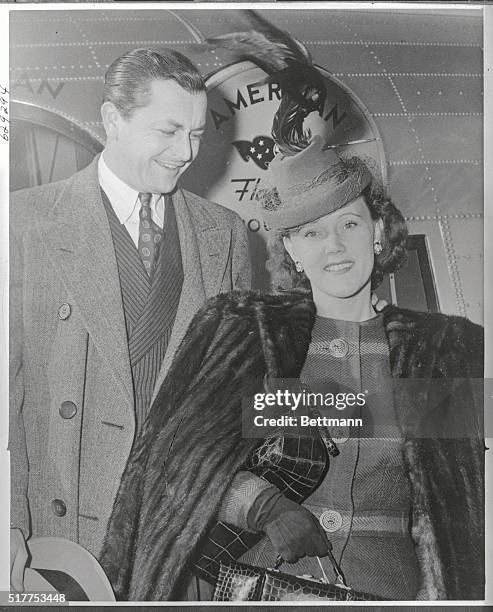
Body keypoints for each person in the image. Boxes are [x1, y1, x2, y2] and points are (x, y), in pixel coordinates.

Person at [100, 102, 484, 601]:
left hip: (391, 589)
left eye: (349, 224)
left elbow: (466, 490)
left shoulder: (444, 348)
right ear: (293, 252)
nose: (335, 247)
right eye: (311, 233)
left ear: (376, 230)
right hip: (267, 588)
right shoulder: (244, 332)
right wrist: (262, 505)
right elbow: (174, 462)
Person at [9, 47, 251, 590]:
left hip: (179, 543)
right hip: (59, 543)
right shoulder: (23, 224)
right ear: (112, 120)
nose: (184, 152)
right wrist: (6, 524)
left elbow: (231, 403)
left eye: (195, 133)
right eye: (167, 131)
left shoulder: (225, 233)